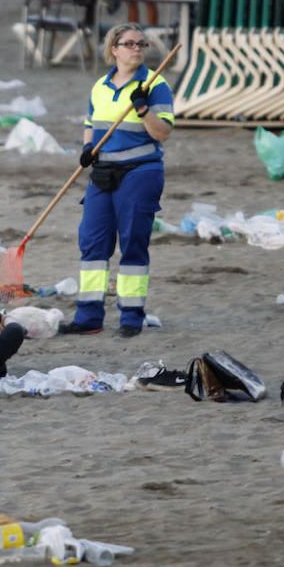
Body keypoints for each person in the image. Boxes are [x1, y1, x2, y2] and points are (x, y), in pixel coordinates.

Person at [59, 23, 174, 339]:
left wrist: (143, 109)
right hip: (102, 173)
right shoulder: (100, 85)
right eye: (130, 43)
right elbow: (90, 122)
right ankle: (89, 316)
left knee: (133, 243)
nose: (136, 48)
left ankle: (131, 316)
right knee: (93, 241)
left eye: (141, 44)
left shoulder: (155, 84)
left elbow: (162, 132)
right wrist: (87, 148)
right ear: (114, 48)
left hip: (141, 172)